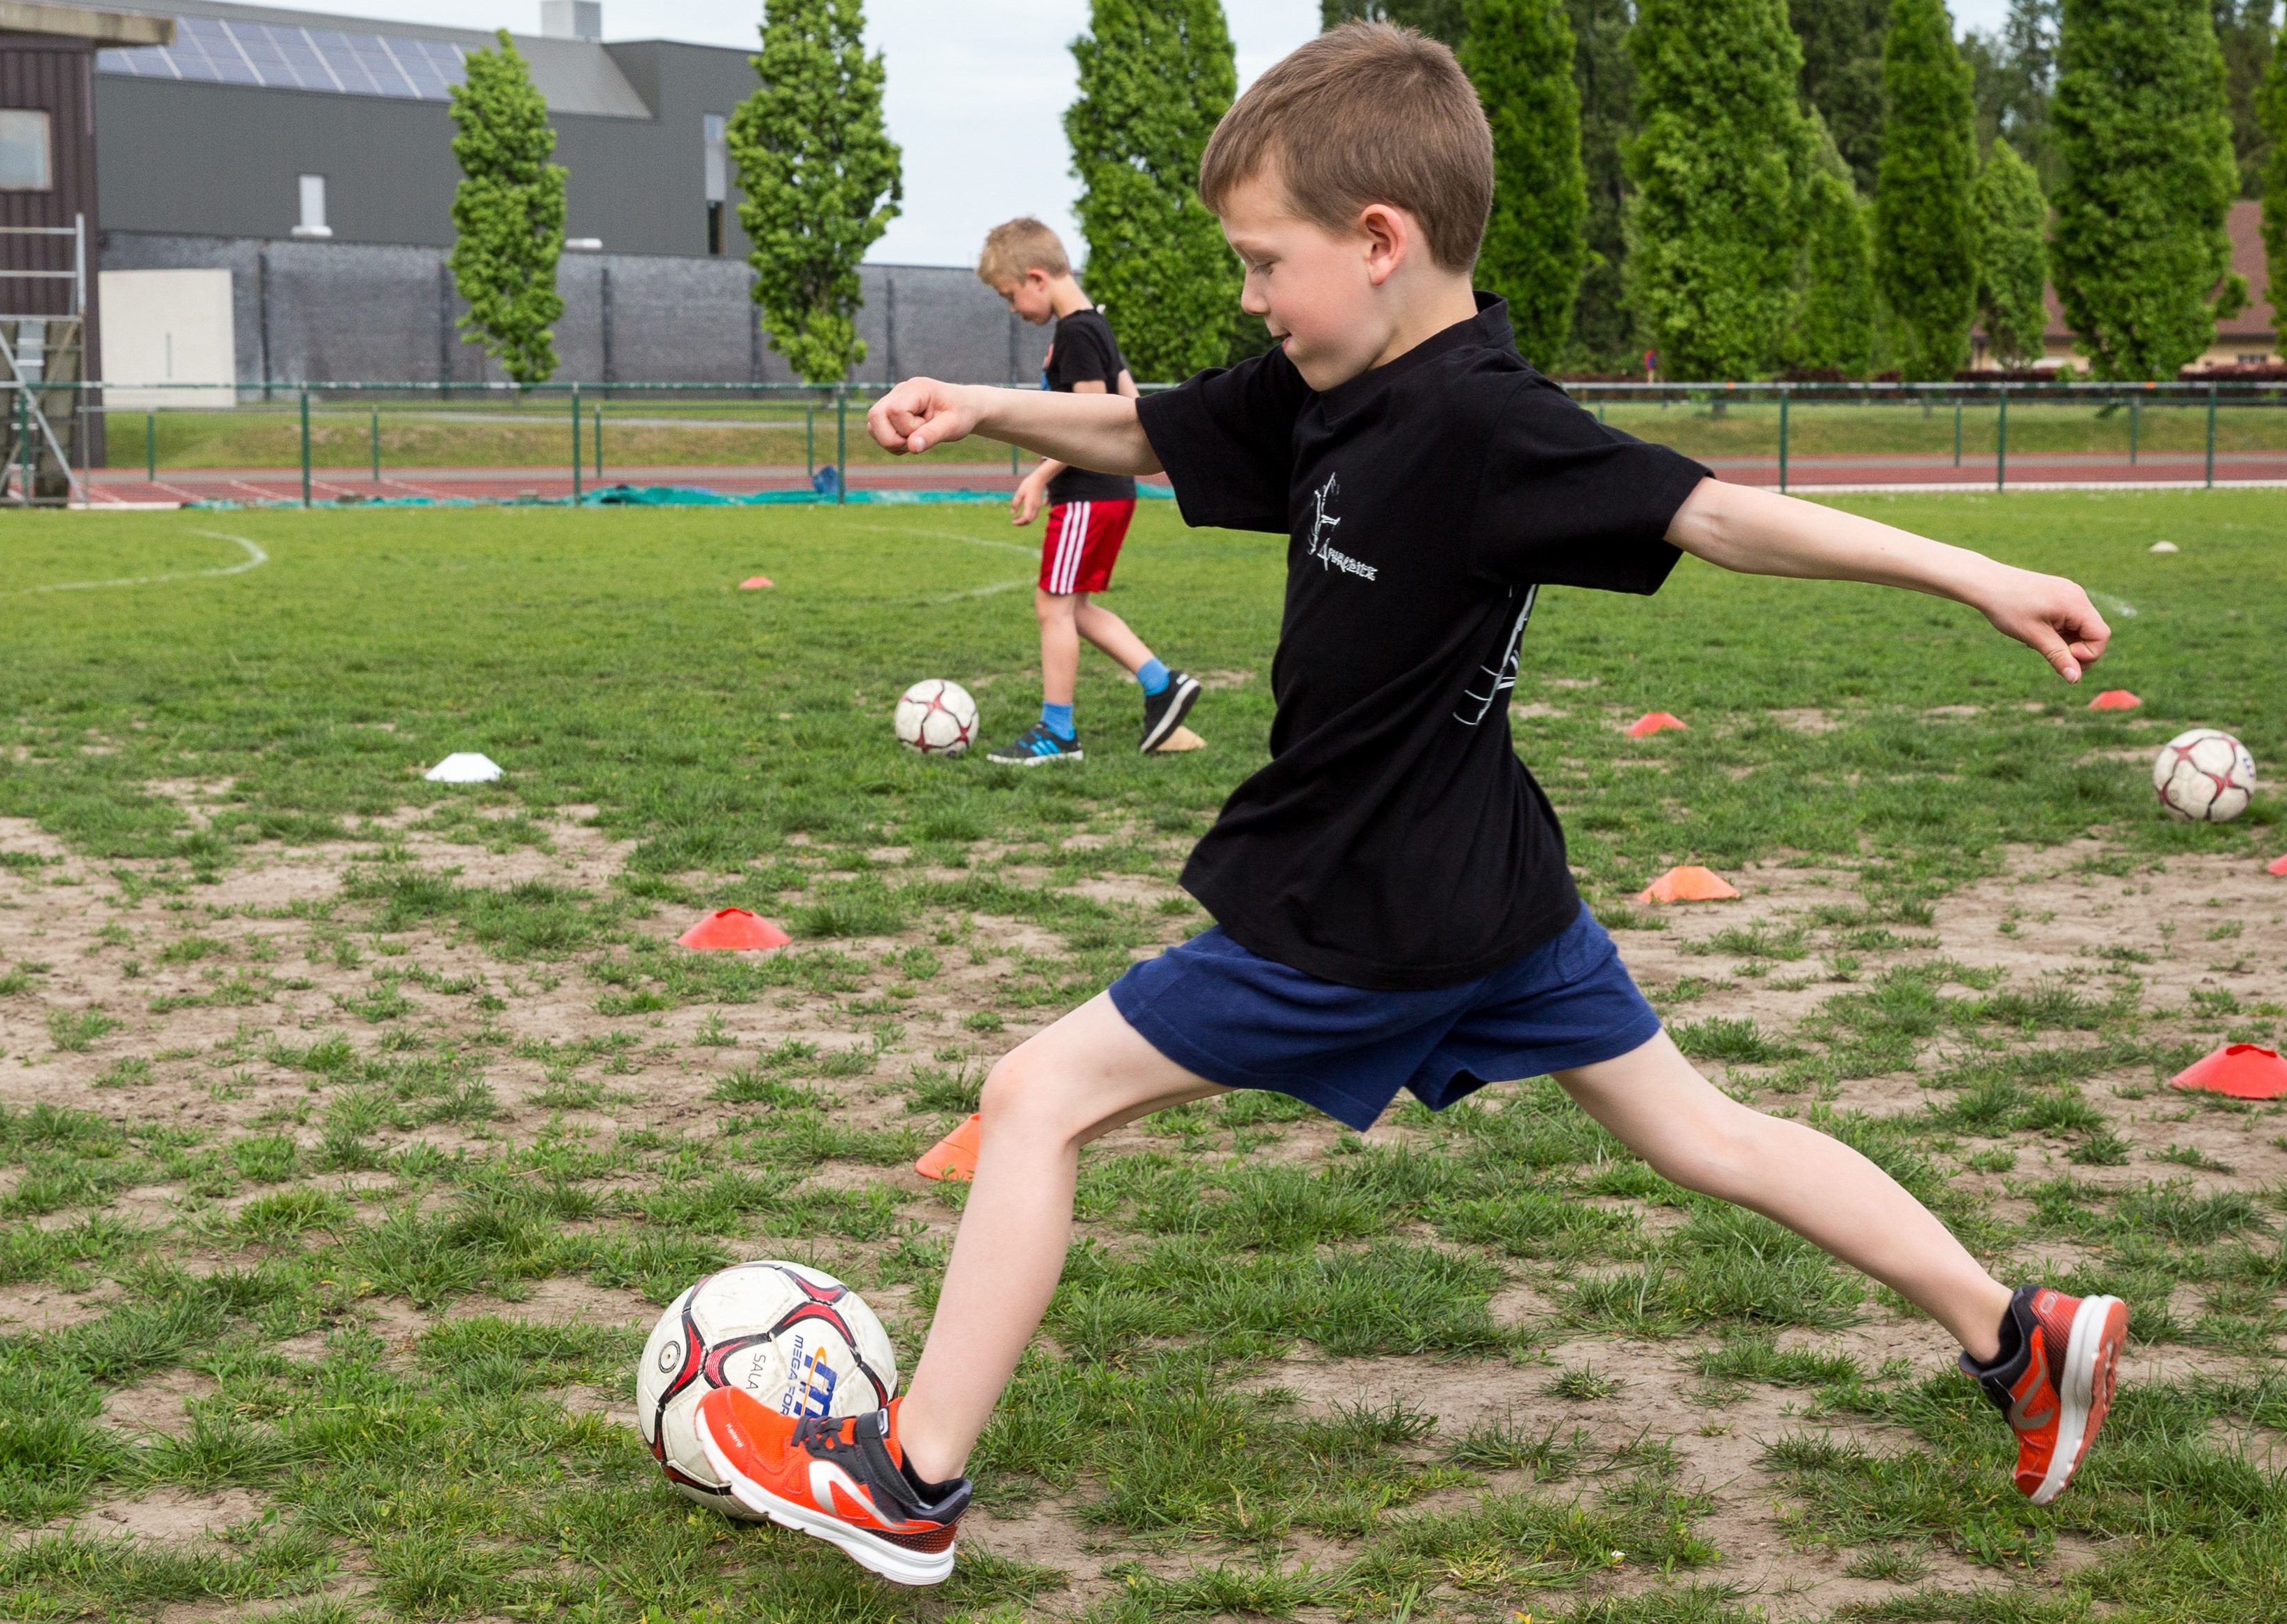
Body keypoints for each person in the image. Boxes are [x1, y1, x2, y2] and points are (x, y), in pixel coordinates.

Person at [696, 23, 2125, 1588]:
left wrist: (1977, 573)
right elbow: (1157, 428)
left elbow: (1716, 515)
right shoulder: (1331, 379)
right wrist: (981, 405)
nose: (1252, 298)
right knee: (1704, 1132)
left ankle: (909, 1482)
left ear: (1380, 241)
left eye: (1265, 262)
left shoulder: (1483, 422)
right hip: (1495, 884)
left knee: (1035, 1095)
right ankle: (2019, 1335)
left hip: (1368, 901)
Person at [976, 218, 1202, 763]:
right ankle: (1162, 684)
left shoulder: (1076, 333)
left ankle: (1058, 732)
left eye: (1010, 295)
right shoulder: (1095, 325)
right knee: (1073, 606)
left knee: (1052, 606)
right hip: (1109, 491)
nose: (1013, 309)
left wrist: (1038, 475)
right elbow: (1132, 404)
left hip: (1087, 493)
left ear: (1036, 278)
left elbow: (1095, 419)